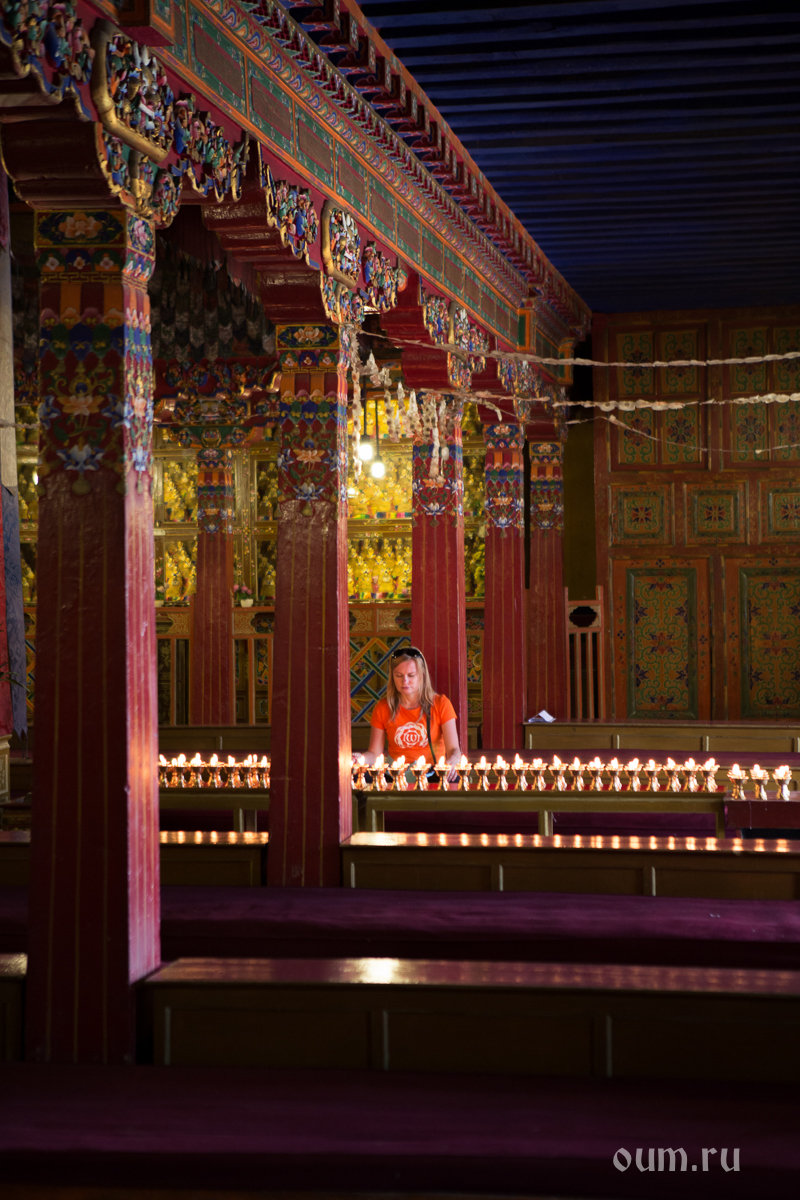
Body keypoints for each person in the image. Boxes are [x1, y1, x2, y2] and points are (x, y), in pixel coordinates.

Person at [360, 646, 461, 772]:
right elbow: (374, 753)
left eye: (411, 675)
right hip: (397, 774)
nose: (405, 681)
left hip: (431, 773)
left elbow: (453, 749)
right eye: (399, 676)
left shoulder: (441, 704)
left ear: (422, 675)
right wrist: (360, 758)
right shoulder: (383, 707)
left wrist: (453, 760)